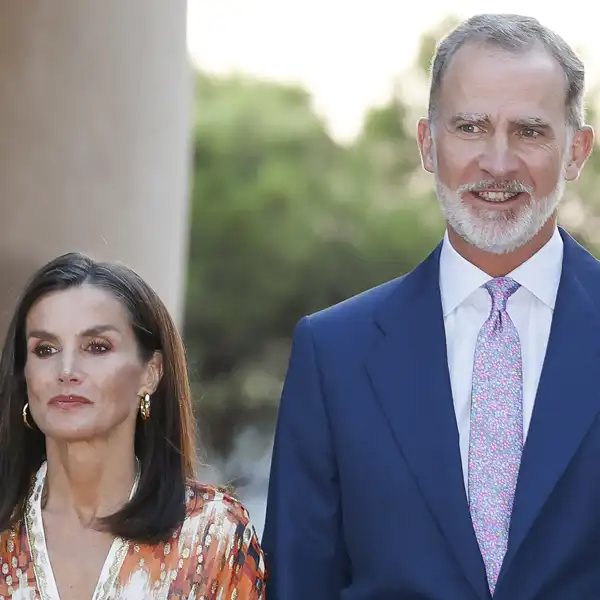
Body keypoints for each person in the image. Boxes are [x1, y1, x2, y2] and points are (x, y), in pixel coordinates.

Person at [263, 13, 600, 600]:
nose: (498, 163)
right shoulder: (334, 352)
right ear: (427, 144)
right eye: (470, 127)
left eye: (530, 131)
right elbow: (299, 583)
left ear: (576, 151)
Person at [0, 253, 265, 599]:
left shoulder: (213, 534)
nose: (66, 370)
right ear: (24, 372)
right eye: (45, 349)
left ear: (150, 373)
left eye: (96, 347)